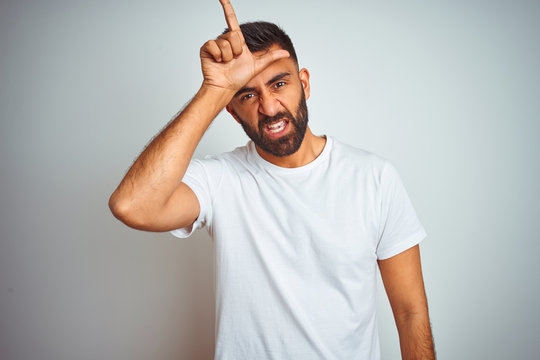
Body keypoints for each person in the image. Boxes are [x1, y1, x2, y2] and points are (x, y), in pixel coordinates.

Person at [109, 0, 436, 359]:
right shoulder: (220, 180)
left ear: (305, 83)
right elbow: (132, 205)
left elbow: (410, 313)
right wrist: (214, 90)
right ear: (232, 113)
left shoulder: (374, 178)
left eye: (279, 83)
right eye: (248, 95)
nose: (268, 106)